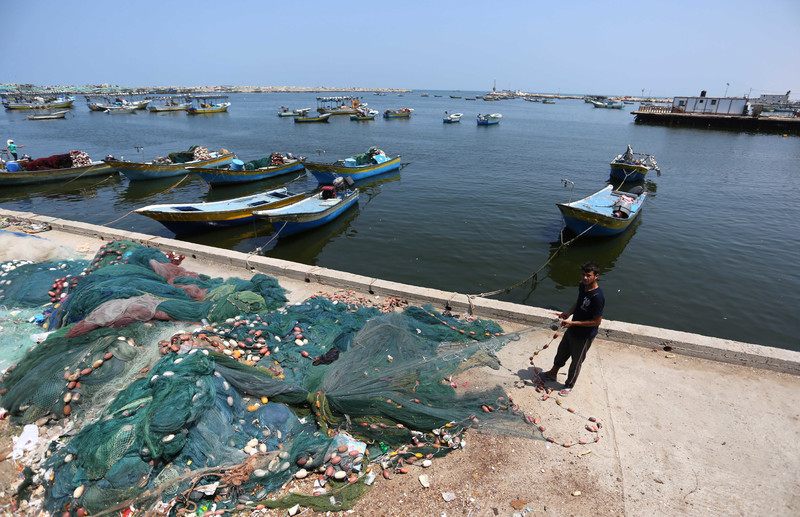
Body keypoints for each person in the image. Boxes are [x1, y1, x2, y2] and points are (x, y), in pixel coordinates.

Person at [541, 261, 605, 396]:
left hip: (584, 335)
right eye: (583, 275)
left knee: (576, 361)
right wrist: (568, 313)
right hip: (572, 329)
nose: (585, 278)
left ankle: (569, 385)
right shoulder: (583, 286)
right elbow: (579, 302)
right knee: (562, 351)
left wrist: (573, 323)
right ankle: (553, 373)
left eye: (588, 275)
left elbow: (596, 321)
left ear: (596, 276)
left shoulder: (598, 297)